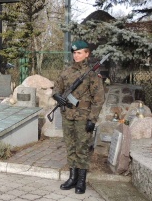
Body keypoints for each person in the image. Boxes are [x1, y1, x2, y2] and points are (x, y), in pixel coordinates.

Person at [52, 40, 105, 194]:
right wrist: (57, 95)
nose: (76, 55)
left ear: (87, 54)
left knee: (82, 148)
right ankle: (72, 177)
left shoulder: (92, 74)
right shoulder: (66, 72)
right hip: (67, 115)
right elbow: (57, 86)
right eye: (74, 53)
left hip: (83, 117)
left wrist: (92, 119)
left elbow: (98, 99)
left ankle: (81, 181)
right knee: (70, 146)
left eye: (79, 52)